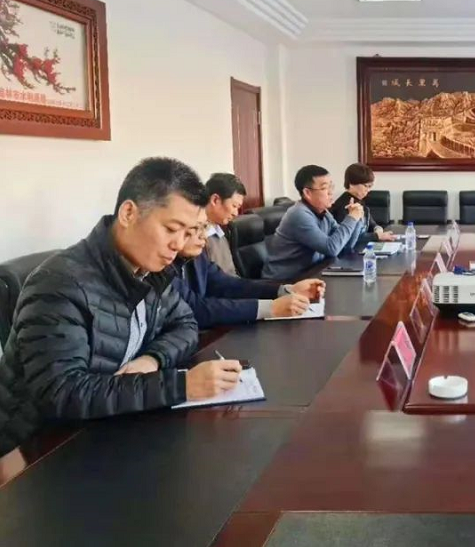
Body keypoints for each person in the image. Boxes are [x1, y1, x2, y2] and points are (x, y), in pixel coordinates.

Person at [0, 158, 243, 457]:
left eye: (188, 232)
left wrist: (152, 360)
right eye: (172, 229)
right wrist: (180, 385)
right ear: (128, 213)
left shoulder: (148, 269)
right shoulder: (59, 283)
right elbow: (63, 393)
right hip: (36, 451)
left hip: (107, 426)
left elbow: (185, 324)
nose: (178, 244)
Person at [173, 210, 325, 329]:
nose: (204, 236)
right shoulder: (164, 265)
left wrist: (285, 290)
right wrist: (271, 308)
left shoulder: (197, 257)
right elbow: (195, 309)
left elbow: (229, 285)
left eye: (205, 227)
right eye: (196, 228)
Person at [262, 165, 364, 280]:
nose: (331, 192)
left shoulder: (323, 212)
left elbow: (345, 246)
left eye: (331, 186)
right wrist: (351, 218)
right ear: (307, 193)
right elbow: (331, 248)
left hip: (311, 273)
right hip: (283, 281)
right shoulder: (299, 214)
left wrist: (358, 220)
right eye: (324, 188)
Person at [330, 163, 395, 248]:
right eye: (366, 186)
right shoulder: (344, 205)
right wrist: (377, 236)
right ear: (352, 184)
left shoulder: (360, 201)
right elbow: (348, 238)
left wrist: (378, 229)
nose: (368, 190)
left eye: (370, 186)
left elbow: (372, 224)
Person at [202, 173, 247, 276]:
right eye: (234, 206)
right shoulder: (196, 237)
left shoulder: (220, 232)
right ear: (215, 200)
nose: (236, 213)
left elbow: (231, 274)